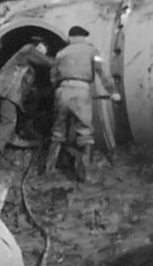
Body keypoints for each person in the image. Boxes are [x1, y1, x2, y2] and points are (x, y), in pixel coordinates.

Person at [45, 25, 121, 181]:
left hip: (62, 90)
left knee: (58, 133)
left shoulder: (61, 53)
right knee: (85, 133)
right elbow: (102, 72)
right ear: (82, 37)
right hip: (81, 90)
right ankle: (85, 174)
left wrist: (59, 91)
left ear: (71, 38)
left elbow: (53, 77)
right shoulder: (92, 51)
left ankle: (49, 171)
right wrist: (112, 92)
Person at [0, 36, 55, 167]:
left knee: (16, 120)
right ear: (37, 45)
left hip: (12, 95)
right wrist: (61, 61)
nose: (42, 51)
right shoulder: (27, 50)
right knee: (9, 122)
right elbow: (45, 60)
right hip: (8, 92)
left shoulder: (29, 67)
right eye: (42, 47)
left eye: (44, 49)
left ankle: (28, 141)